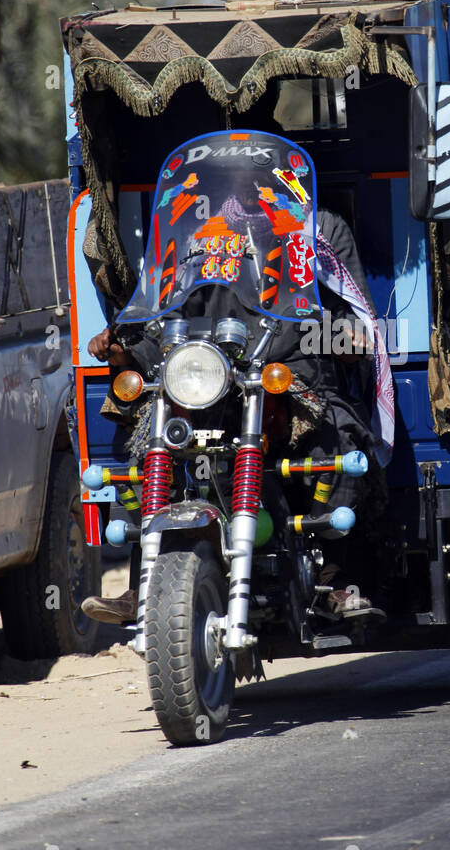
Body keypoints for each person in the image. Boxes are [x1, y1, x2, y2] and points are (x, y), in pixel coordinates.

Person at [81, 182, 390, 627]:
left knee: (336, 435)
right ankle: (147, 581)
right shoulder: (197, 233)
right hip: (209, 376)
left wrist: (349, 336)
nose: (251, 186)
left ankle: (329, 581)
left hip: (291, 372)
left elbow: (351, 309)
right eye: (240, 175)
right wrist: (124, 349)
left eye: (265, 174)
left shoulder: (318, 228)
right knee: (145, 432)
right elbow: (164, 314)